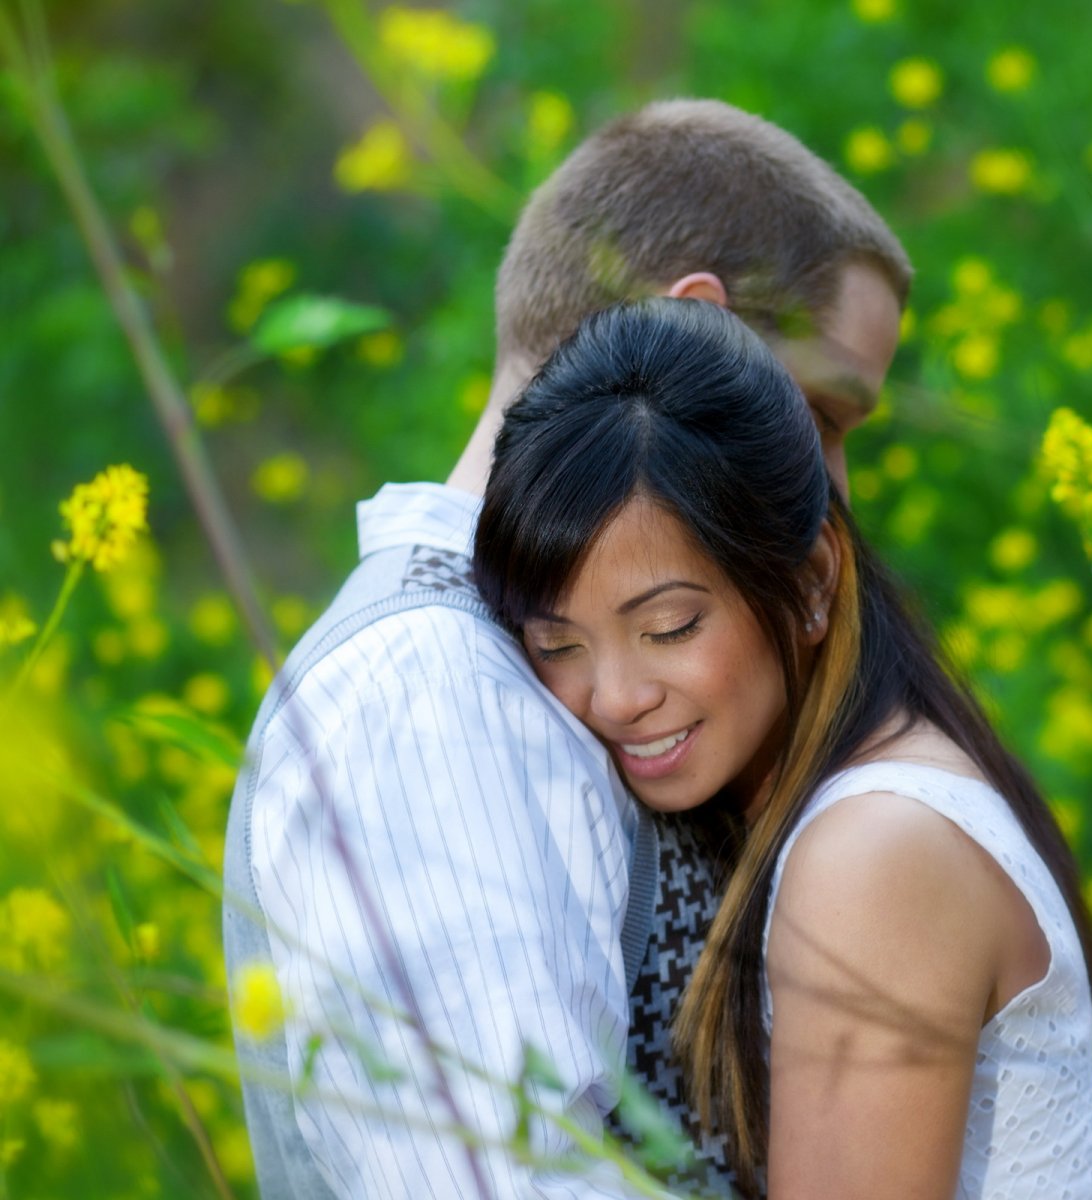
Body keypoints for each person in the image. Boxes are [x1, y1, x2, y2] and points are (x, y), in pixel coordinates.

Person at [222, 99, 909, 1198]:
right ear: (696, 334)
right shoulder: (433, 697)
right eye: (824, 417)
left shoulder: (536, 683)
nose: (834, 492)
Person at [470, 297, 1092, 1200]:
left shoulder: (872, 854)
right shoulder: (879, 783)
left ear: (814, 579)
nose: (617, 698)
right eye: (558, 646)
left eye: (669, 627)